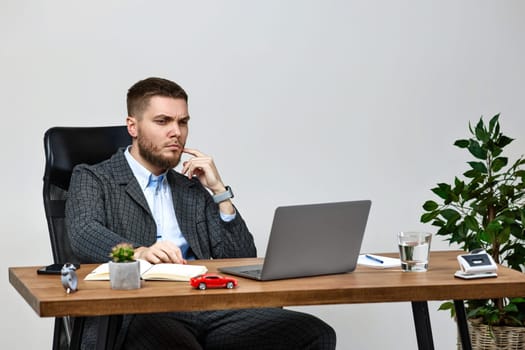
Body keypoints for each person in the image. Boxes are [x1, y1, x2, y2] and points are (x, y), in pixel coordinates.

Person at [65, 77, 336, 350]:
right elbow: (83, 232)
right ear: (132, 127)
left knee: (314, 333)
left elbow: (240, 257)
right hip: (138, 312)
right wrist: (138, 252)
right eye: (163, 121)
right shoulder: (94, 177)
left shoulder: (190, 188)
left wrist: (220, 192)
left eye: (182, 122)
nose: (177, 132)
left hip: (205, 304)